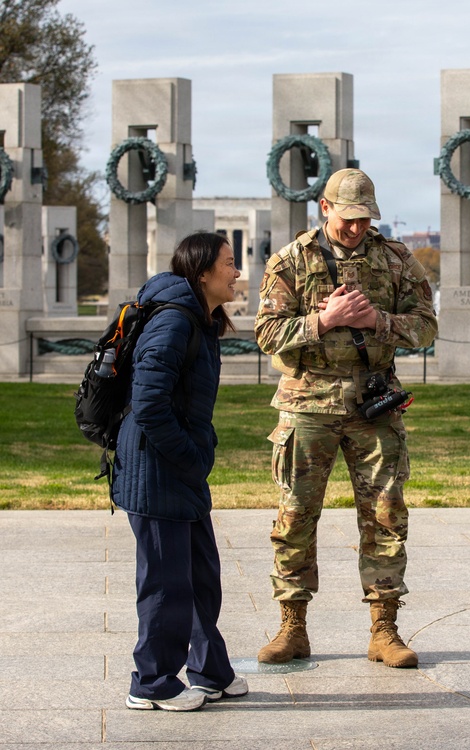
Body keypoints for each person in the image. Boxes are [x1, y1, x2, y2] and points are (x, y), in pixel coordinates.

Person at [255, 168, 437, 669]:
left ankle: (385, 629)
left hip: (372, 406)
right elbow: (266, 333)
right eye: (348, 218)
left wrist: (375, 320)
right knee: (295, 515)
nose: (356, 229)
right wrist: (325, 320)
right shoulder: (291, 261)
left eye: (365, 219)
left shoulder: (395, 259)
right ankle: (292, 627)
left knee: (385, 514)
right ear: (325, 208)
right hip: (307, 404)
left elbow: (425, 328)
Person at [114, 232, 248, 712]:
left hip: (180, 469)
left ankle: (210, 671)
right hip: (157, 468)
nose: (237, 272)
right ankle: (151, 683)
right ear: (204, 271)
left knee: (198, 574)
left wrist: (194, 459)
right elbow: (148, 403)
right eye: (230, 263)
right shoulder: (174, 321)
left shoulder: (201, 319)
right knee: (166, 582)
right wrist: (191, 457)